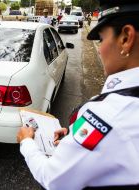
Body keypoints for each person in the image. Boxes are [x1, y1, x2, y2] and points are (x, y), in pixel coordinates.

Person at [17, 0, 139, 189]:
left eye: (101, 40)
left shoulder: (109, 115)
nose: (100, 48)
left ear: (126, 38)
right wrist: (72, 135)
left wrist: (26, 141)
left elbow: (52, 178)